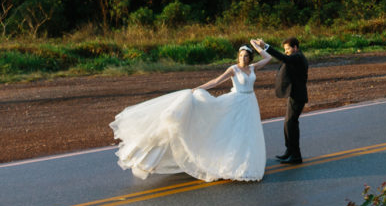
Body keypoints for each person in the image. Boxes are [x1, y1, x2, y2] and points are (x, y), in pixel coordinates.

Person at [110, 43, 272, 182]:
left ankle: (246, 164)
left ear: (250, 58)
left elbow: (268, 58)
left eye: (246, 56)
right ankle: (229, 164)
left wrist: (258, 47)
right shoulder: (233, 69)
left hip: (249, 103)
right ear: (238, 56)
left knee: (247, 134)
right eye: (241, 56)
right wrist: (198, 88)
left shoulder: (252, 68)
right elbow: (216, 81)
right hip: (235, 102)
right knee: (231, 133)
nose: (243, 58)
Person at [252, 36, 308, 164]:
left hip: (298, 96)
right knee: (288, 124)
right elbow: (285, 59)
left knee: (291, 124)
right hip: (294, 95)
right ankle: (289, 151)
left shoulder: (298, 57)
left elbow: (284, 58)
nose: (286, 51)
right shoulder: (294, 57)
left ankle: (296, 155)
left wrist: (265, 46)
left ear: (295, 48)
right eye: (285, 49)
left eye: (288, 49)